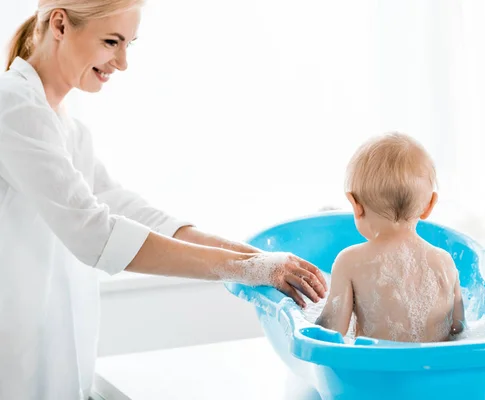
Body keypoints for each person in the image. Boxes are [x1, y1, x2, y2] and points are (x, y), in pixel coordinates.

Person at [0, 1, 327, 398]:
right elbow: (95, 235)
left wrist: (255, 258)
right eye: (111, 42)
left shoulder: (68, 128)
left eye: (128, 45)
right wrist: (246, 269)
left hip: (54, 367)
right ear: (59, 24)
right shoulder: (14, 108)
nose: (122, 63)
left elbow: (125, 208)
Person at [315, 132, 464, 343]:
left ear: (355, 205)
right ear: (429, 206)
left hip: (376, 372)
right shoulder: (444, 262)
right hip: (434, 370)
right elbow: (459, 328)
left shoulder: (350, 262)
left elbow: (330, 333)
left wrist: (305, 320)